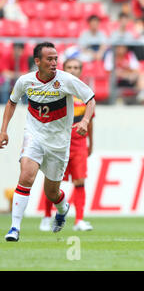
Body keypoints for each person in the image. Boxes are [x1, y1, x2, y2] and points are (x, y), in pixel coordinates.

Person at [1, 42, 96, 242]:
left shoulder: (66, 80)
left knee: (51, 193)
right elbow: (11, 102)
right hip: (34, 136)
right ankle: (14, 228)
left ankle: (62, 208)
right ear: (38, 61)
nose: (54, 63)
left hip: (59, 144)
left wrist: (86, 121)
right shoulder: (25, 81)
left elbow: (90, 98)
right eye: (49, 59)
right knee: (26, 177)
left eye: (55, 59)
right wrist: (3, 131)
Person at [40, 58, 94, 232]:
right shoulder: (55, 89)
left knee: (79, 181)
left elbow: (90, 121)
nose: (73, 70)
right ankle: (47, 217)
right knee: (53, 181)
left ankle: (79, 220)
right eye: (69, 67)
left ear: (81, 70)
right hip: (58, 142)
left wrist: (90, 143)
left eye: (76, 67)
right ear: (64, 69)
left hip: (78, 143)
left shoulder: (85, 93)